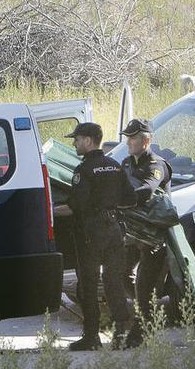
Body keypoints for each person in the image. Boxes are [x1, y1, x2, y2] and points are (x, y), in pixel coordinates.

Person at [53, 122, 135, 351]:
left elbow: (76, 206)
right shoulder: (114, 165)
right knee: (114, 284)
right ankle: (121, 335)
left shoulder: (83, 170)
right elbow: (130, 199)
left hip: (91, 234)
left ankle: (91, 338)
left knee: (88, 286)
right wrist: (109, 203)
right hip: (115, 231)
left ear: (88, 141)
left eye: (77, 139)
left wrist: (49, 211)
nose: (74, 143)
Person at [119, 119, 171, 348]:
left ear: (146, 140)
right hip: (131, 233)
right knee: (122, 275)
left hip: (153, 237)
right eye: (127, 137)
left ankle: (142, 331)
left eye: (133, 138)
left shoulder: (157, 165)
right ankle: (149, 309)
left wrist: (120, 199)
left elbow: (147, 190)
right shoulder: (126, 163)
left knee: (143, 285)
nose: (128, 142)